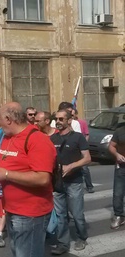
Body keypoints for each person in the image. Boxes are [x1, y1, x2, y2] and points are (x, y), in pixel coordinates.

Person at [0, 102, 56, 257]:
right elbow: (9, 163)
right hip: (11, 209)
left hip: (30, 213)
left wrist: (6, 174)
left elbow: (43, 178)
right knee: (18, 252)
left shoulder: (37, 140)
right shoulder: (6, 137)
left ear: (8, 119)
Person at [50, 109, 91, 254]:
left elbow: (87, 158)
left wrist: (71, 166)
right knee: (61, 215)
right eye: (57, 119)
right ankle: (63, 243)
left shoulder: (78, 137)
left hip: (74, 181)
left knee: (77, 214)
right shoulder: (52, 139)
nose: (59, 122)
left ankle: (82, 237)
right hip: (57, 183)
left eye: (61, 119)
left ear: (69, 120)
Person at [74, 109, 94, 193]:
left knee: (85, 168)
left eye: (73, 114)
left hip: (80, 147)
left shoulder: (81, 122)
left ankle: (89, 186)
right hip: (73, 148)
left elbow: (86, 134)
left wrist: (84, 145)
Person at [109, 122, 125, 229]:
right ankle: (119, 216)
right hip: (122, 167)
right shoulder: (120, 131)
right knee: (118, 193)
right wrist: (117, 154)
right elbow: (111, 146)